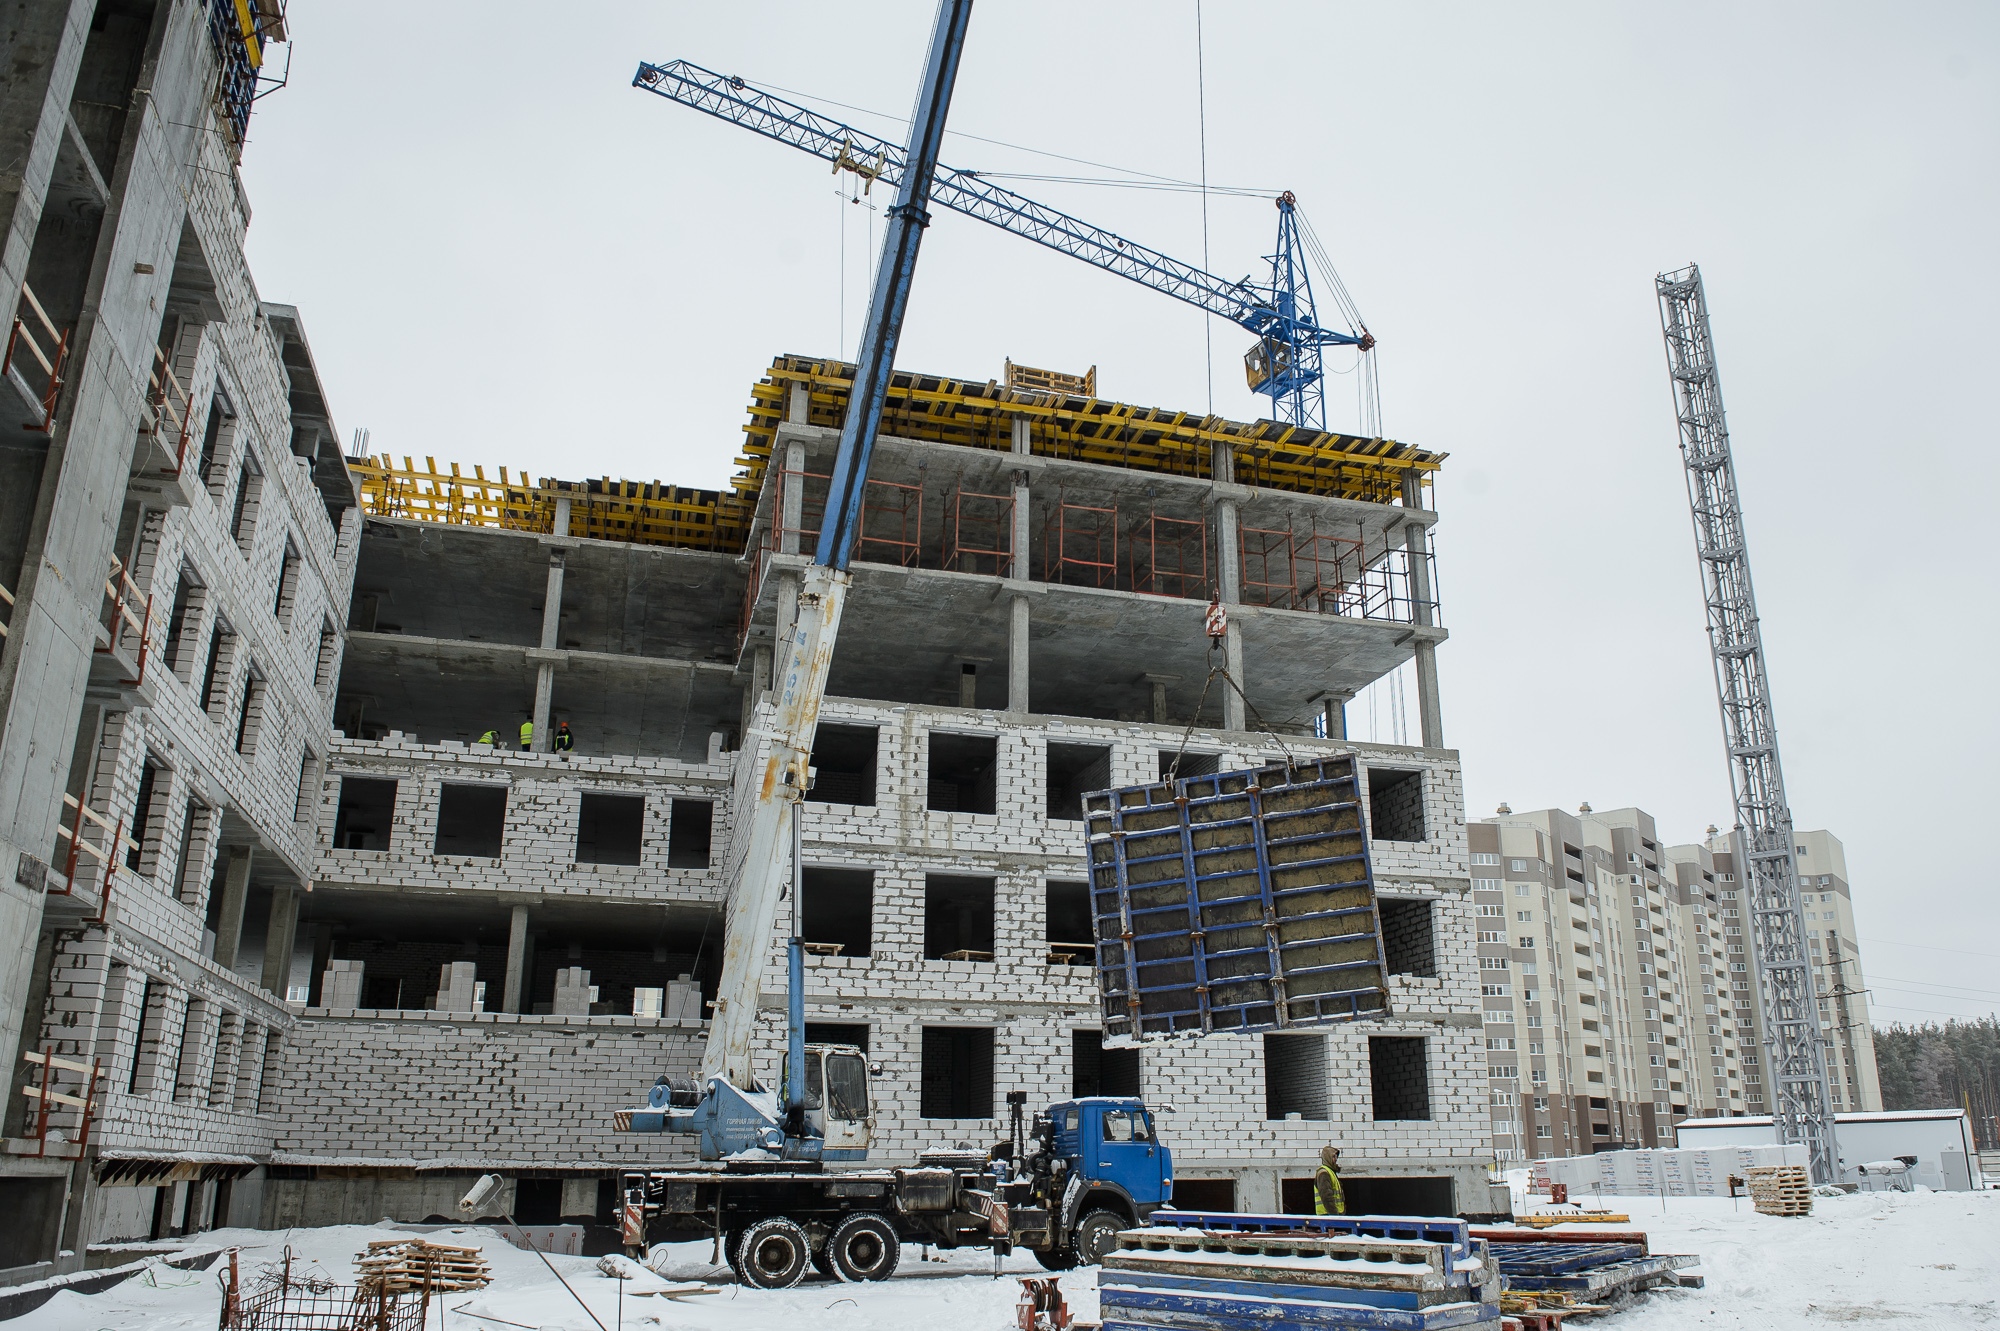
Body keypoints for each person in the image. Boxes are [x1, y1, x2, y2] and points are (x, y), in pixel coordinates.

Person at [1313, 1144, 1345, 1215]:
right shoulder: (1324, 1173)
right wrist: (1334, 1216)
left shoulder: (1330, 1172)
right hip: (1327, 1216)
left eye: (1336, 1156)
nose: (1336, 1159)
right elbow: (1326, 1197)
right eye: (1334, 1156)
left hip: (1332, 1216)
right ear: (1328, 1157)